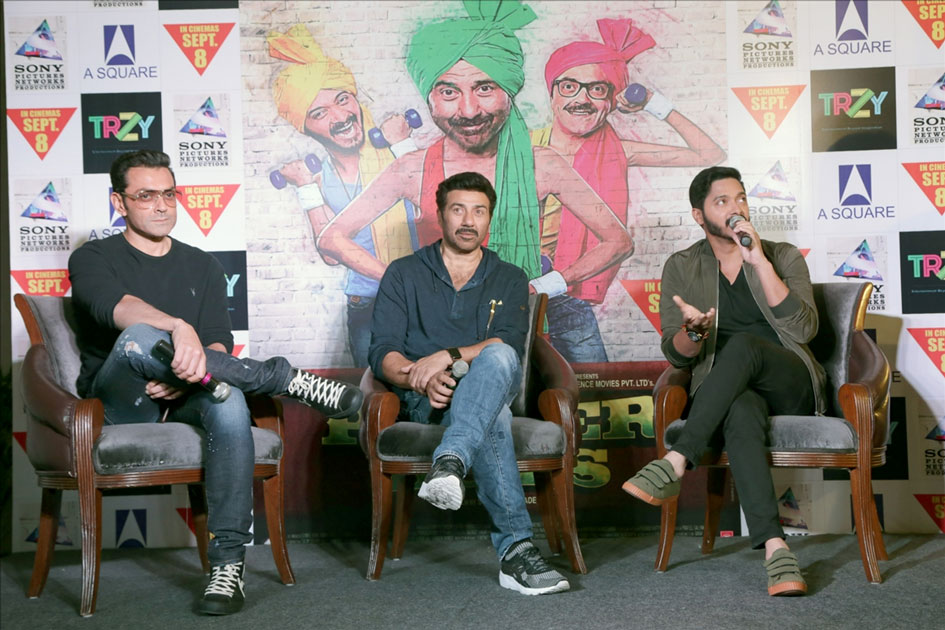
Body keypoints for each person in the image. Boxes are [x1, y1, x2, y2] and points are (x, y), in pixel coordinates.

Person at [68, 150, 363, 616]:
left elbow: (218, 348)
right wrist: (179, 328)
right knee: (142, 337)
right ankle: (281, 378)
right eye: (146, 195)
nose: (162, 205)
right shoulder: (92, 258)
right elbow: (114, 309)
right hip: (124, 402)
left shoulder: (202, 265)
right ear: (119, 203)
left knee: (227, 401)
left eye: (169, 193)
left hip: (183, 390)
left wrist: (186, 379)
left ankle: (226, 567)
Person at [318, 0, 632, 298]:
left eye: (484, 88)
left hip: (520, 319)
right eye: (449, 91)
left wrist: (545, 286)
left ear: (508, 92)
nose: (469, 110)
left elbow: (618, 242)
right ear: (430, 99)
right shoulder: (411, 168)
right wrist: (402, 284)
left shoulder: (542, 165)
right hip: (443, 326)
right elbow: (331, 238)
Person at [621, 166, 826, 597]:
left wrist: (760, 263)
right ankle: (775, 549)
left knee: (744, 347)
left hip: (790, 380)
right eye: (722, 202)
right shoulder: (682, 266)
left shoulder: (782, 255)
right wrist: (693, 332)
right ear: (699, 215)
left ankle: (676, 462)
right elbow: (675, 353)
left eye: (741, 199)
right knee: (739, 409)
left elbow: (806, 330)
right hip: (729, 391)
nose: (736, 209)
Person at [368, 171, 570, 596]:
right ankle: (516, 552)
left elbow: (509, 346)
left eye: (479, 211)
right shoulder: (403, 274)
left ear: (489, 219)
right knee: (491, 413)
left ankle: (451, 461)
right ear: (440, 216)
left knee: (498, 358)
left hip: (485, 387)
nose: (468, 220)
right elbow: (382, 351)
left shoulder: (510, 276)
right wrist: (418, 377)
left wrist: (448, 356)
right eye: (458, 209)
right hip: (427, 402)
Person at [534, 17, 726, 362]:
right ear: (552, 93)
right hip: (516, 288)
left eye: (597, 89)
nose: (582, 98)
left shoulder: (620, 150)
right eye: (569, 86)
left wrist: (654, 103)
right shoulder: (521, 150)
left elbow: (710, 154)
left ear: (611, 100)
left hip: (567, 291)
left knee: (592, 392)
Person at [268, 24, 419, 367]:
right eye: (319, 113)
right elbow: (332, 255)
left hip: (420, 299)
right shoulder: (321, 179)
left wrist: (404, 145)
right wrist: (306, 188)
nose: (340, 117)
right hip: (364, 305)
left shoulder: (400, 156)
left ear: (355, 99)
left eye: (342, 100)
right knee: (375, 398)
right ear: (303, 126)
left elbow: (430, 213)